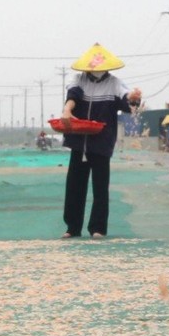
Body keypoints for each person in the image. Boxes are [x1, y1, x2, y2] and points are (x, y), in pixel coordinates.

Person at [60, 43, 143, 238]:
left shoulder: (114, 83)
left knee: (100, 187)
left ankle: (97, 228)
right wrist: (67, 110)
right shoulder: (78, 79)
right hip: (79, 141)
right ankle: (72, 228)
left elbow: (127, 100)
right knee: (74, 186)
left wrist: (133, 98)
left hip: (101, 141)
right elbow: (73, 95)